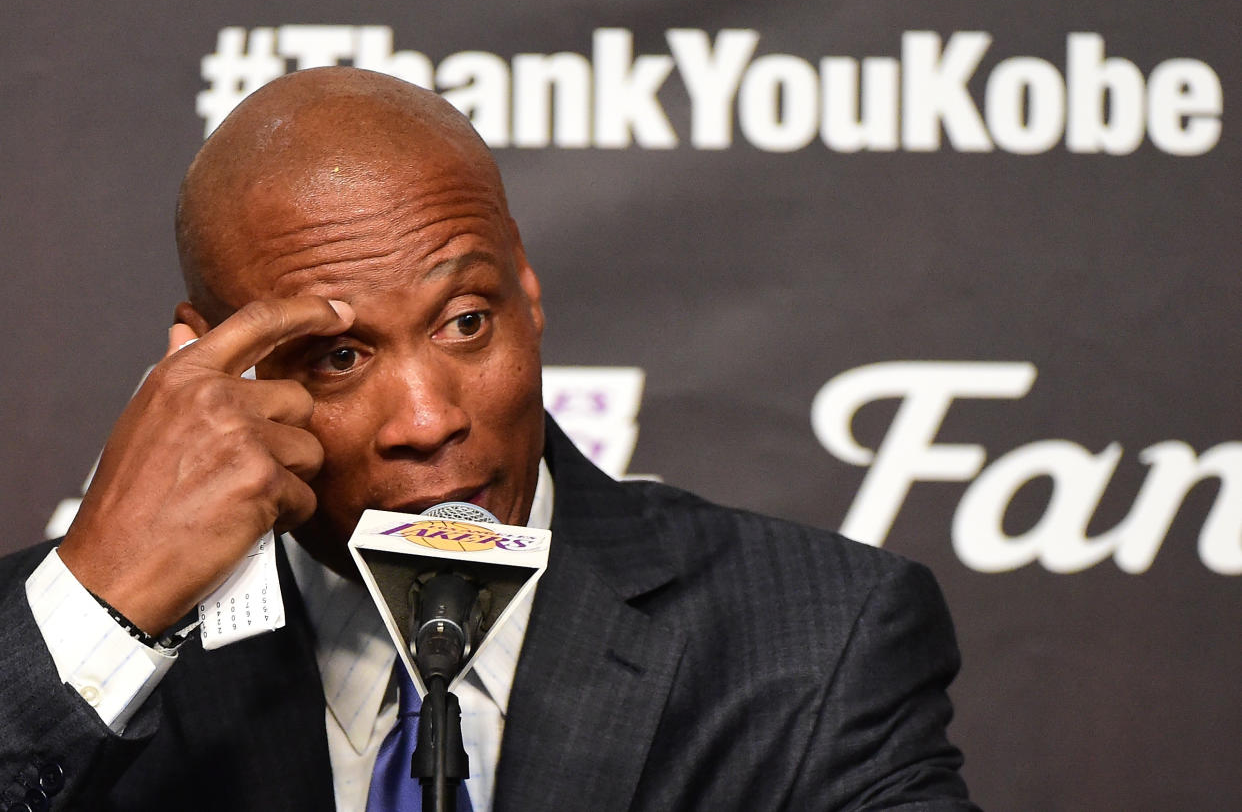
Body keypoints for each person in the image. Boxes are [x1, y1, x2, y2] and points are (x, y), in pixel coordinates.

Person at [0, 66, 977, 811]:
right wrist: (100, 612)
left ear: (528, 290)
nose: (429, 419)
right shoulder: (51, 636)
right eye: (339, 355)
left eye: (465, 320)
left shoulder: (816, 641)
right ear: (213, 367)